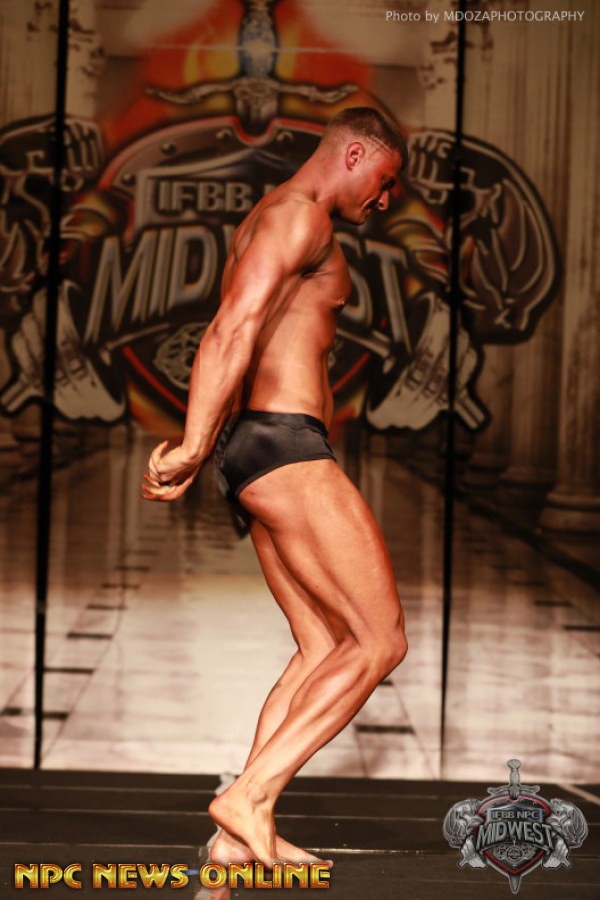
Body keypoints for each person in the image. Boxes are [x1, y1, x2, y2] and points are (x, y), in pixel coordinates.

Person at [142, 107, 409, 871]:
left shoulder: (277, 215)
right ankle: (250, 796)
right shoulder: (299, 217)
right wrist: (193, 442)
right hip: (286, 446)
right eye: (384, 179)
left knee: (322, 644)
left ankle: (237, 837)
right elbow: (233, 326)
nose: (384, 199)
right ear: (354, 153)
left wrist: (214, 446)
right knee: (380, 640)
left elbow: (249, 331)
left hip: (261, 445)